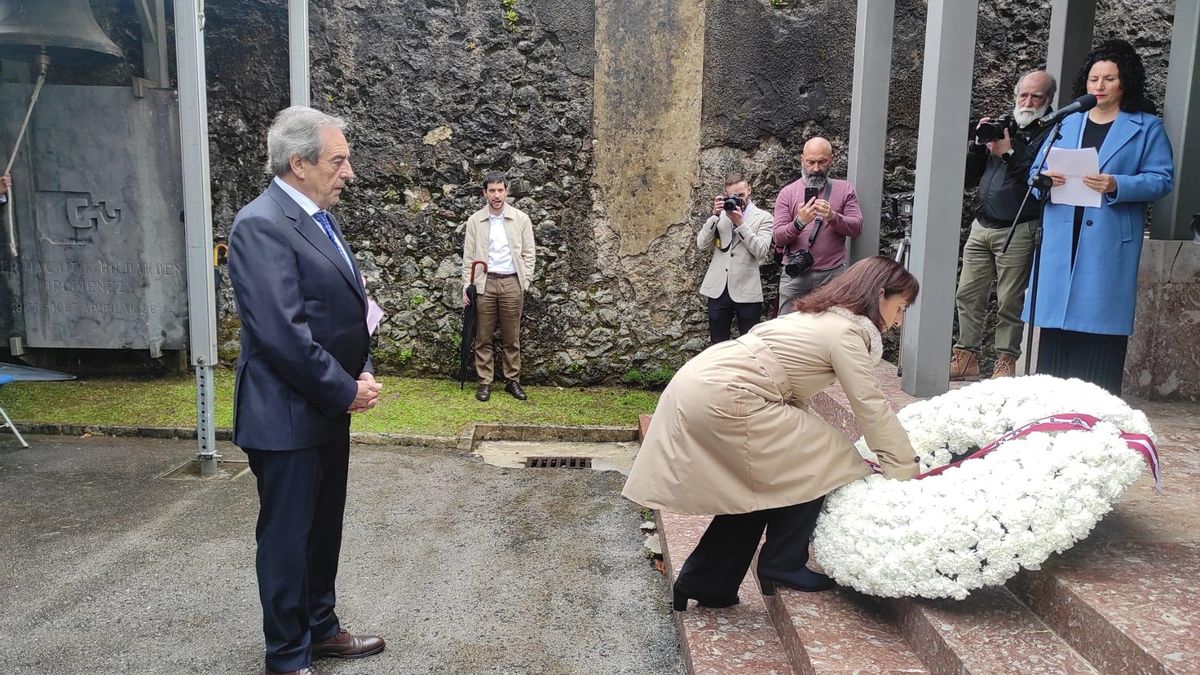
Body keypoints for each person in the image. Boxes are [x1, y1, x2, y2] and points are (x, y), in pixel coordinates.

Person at [623, 256, 919, 610]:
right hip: (728, 394)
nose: (899, 320)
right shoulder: (847, 333)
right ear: (880, 293)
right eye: (900, 308)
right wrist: (905, 470)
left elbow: (792, 389)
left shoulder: (818, 317)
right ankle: (783, 562)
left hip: (708, 383)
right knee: (827, 455)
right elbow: (871, 407)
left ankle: (706, 581)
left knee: (765, 483)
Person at [228, 106, 385, 675]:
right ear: (299, 163)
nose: (348, 173)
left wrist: (360, 370)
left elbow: (349, 309)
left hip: (325, 407)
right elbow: (281, 335)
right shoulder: (260, 224)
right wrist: (345, 390)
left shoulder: (320, 217)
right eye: (338, 160)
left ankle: (320, 628)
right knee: (288, 539)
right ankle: (287, 655)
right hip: (286, 416)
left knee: (323, 529)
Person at [1030, 39, 1174, 396]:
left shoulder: (1146, 127)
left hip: (1107, 238)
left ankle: (1095, 411)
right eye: (1094, 79)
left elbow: (1162, 179)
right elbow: (1035, 172)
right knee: (1056, 333)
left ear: (1124, 82)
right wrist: (1046, 181)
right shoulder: (1067, 121)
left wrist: (1116, 183)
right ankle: (1049, 408)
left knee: (1098, 331)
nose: (1099, 86)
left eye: (1109, 79)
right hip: (1064, 233)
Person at [951, 70, 1057, 380]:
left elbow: (1038, 178)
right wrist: (978, 143)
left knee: (1010, 300)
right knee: (967, 293)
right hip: (982, 224)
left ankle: (1005, 361)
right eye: (1022, 95)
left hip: (1020, 224)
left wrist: (1009, 153)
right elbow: (970, 177)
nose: (1027, 101)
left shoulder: (1051, 132)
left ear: (1048, 99)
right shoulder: (1004, 124)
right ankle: (966, 356)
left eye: (1035, 96)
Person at [461, 171, 536, 402]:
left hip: (512, 282)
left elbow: (529, 253)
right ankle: (485, 382)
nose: (496, 195)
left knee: (511, 336)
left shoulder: (521, 219)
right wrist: (467, 285)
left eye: (500, 190)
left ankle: (512, 381)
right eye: (491, 190)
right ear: (485, 193)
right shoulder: (475, 220)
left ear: (507, 191)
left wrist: (525, 280)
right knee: (483, 336)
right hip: (485, 282)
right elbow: (469, 257)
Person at [772, 137, 864, 315]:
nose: (815, 168)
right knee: (786, 327)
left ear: (831, 159)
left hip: (832, 274)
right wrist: (799, 222)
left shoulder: (845, 189)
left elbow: (857, 227)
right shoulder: (788, 193)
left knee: (831, 327)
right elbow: (778, 236)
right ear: (802, 160)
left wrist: (832, 216)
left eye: (822, 162)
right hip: (796, 272)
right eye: (810, 162)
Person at [697, 172, 774, 343]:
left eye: (741, 195)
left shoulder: (764, 218)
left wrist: (740, 223)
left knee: (749, 343)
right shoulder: (721, 215)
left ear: (749, 190)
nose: (738, 199)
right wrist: (714, 216)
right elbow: (701, 245)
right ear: (726, 195)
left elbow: (761, 251)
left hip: (747, 290)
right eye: (733, 195)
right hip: (718, 289)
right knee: (718, 342)